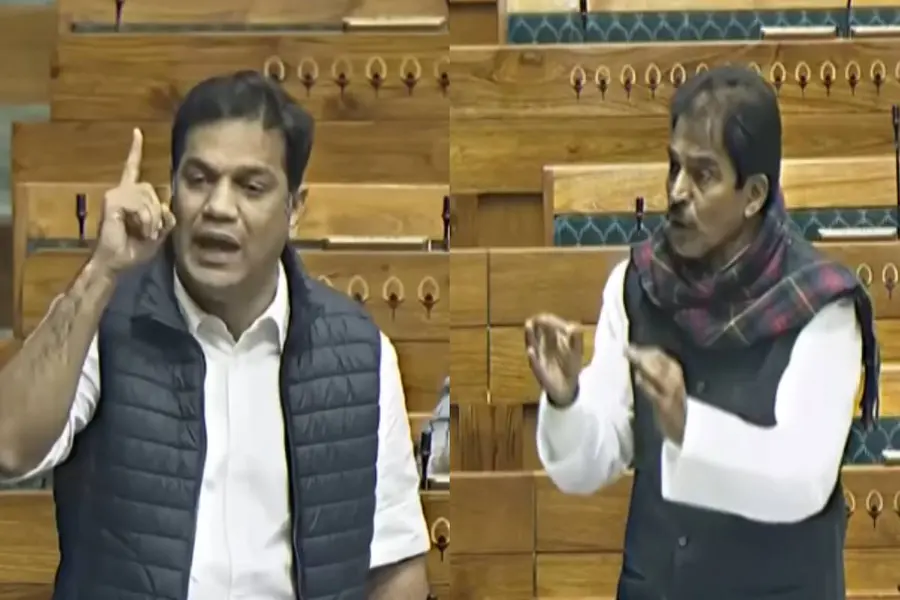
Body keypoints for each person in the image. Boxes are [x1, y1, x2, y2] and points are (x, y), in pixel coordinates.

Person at [0, 71, 430, 600]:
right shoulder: (100, 317)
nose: (218, 207)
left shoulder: (360, 354)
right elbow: (8, 447)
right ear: (171, 190)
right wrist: (101, 273)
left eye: (251, 187)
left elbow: (394, 570)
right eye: (199, 179)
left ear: (295, 208)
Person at [525, 66, 879, 600]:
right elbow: (589, 464)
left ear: (753, 194)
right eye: (674, 167)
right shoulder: (638, 284)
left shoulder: (820, 304)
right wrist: (566, 401)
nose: (676, 192)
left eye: (703, 175)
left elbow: (803, 479)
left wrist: (690, 427)